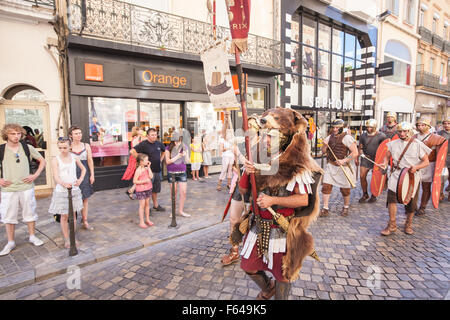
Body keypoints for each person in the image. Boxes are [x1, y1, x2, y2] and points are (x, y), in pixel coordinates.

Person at [0, 124, 46, 256]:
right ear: (6, 135)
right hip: (8, 189)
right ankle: (10, 242)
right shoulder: (1, 150)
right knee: (8, 216)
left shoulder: (27, 147)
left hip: (26, 187)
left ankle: (32, 236)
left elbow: (42, 161)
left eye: (18, 134)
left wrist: (35, 175)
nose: (16, 136)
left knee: (30, 211)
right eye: (13, 134)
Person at [380, 122, 431, 236]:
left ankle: (408, 223)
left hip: (411, 176)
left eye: (405, 131)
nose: (402, 133)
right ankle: (392, 224)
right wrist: (384, 164)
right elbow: (387, 157)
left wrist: (417, 167)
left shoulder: (417, 145)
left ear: (410, 131)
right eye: (400, 131)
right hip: (396, 174)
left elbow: (426, 161)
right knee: (391, 199)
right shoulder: (392, 144)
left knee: (411, 201)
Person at [48, 137, 85, 248]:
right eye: (60, 148)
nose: (62, 150)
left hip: (73, 189)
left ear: (70, 147)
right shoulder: (56, 159)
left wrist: (80, 179)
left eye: (65, 147)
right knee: (64, 216)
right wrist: (63, 183)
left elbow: (83, 169)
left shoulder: (74, 157)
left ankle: (73, 236)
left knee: (73, 214)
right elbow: (55, 175)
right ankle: (67, 238)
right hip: (62, 190)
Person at [320, 119, 358, 217]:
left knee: (345, 190)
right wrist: (324, 145)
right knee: (326, 187)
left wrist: (343, 161)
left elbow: (355, 153)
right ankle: (325, 208)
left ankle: (345, 207)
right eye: (333, 127)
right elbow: (323, 152)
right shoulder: (329, 137)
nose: (334, 130)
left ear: (341, 128)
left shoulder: (347, 138)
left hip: (343, 167)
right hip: (331, 166)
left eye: (337, 128)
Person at [414, 117, 447, 216]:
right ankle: (412, 206)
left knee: (426, 186)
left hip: (429, 164)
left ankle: (422, 207)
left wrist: (440, 166)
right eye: (418, 125)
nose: (420, 127)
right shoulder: (414, 137)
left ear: (428, 126)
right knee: (414, 186)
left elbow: (439, 154)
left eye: (423, 125)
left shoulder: (436, 138)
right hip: (415, 164)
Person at [131, 128, 166, 212]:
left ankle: (155, 205)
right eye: (152, 135)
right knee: (147, 190)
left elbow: (164, 151)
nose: (154, 136)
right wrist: (141, 161)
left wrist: (160, 159)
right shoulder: (143, 144)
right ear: (147, 136)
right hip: (147, 171)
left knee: (155, 190)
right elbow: (132, 151)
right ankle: (147, 208)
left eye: (155, 134)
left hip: (157, 170)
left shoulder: (158, 144)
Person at [69, 126, 95, 230]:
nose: (79, 135)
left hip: (84, 174)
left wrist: (92, 174)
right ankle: (73, 220)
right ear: (70, 135)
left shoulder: (86, 145)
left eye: (80, 133)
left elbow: (90, 160)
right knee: (73, 197)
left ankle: (85, 220)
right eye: (76, 133)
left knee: (85, 198)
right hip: (71, 173)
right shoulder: (68, 146)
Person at [357, 119, 387, 203]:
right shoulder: (363, 136)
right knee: (362, 176)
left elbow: (385, 149)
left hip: (377, 159)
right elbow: (360, 147)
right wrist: (360, 154)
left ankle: (374, 194)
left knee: (376, 177)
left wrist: (383, 161)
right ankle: (365, 194)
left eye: (371, 127)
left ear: (375, 127)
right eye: (367, 127)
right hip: (366, 158)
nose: (369, 129)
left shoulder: (382, 136)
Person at [165, 132, 191, 218]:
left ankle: (180, 211)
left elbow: (187, 161)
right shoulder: (168, 148)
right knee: (174, 193)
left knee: (183, 192)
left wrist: (185, 155)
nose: (177, 143)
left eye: (179, 141)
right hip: (172, 173)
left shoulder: (184, 147)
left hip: (182, 172)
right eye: (175, 141)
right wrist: (178, 156)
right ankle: (173, 211)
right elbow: (167, 161)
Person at [122, 126, 144, 200]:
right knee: (139, 175)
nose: (142, 131)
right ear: (137, 131)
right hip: (136, 158)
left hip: (137, 158)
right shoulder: (136, 139)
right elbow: (135, 150)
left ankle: (131, 191)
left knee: (139, 175)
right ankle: (132, 191)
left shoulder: (138, 138)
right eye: (140, 130)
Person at [133, 153, 154, 228]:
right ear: (141, 161)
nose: (148, 161)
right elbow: (134, 181)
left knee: (147, 204)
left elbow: (151, 176)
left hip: (148, 188)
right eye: (146, 160)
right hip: (141, 190)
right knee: (142, 205)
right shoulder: (138, 170)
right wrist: (143, 181)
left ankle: (147, 219)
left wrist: (149, 167)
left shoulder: (146, 168)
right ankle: (141, 222)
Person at [217, 113, 235, 191]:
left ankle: (229, 183)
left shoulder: (232, 139)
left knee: (230, 169)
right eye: (227, 132)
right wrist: (225, 119)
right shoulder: (222, 140)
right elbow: (221, 149)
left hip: (231, 155)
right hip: (225, 156)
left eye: (229, 132)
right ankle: (219, 184)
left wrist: (229, 118)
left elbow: (230, 127)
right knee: (224, 169)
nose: (229, 133)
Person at [437, 117, 450, 200]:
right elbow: (437, 145)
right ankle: (440, 193)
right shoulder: (439, 133)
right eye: (445, 123)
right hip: (443, 157)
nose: (446, 125)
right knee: (441, 177)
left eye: (448, 123)